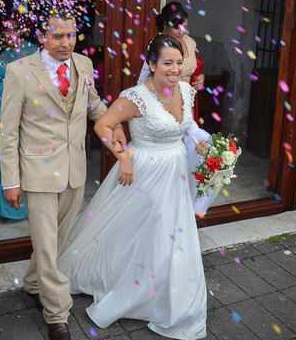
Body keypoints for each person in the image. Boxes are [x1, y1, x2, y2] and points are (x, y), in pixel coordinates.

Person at [58, 34, 207, 339]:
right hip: (144, 174)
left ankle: (171, 299)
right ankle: (129, 286)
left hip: (175, 172)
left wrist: (204, 147)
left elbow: (187, 127)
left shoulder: (187, 93)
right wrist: (122, 157)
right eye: (167, 62)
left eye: (179, 62)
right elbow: (102, 125)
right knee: (138, 235)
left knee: (173, 237)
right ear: (152, 64)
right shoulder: (136, 96)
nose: (174, 69)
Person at [0, 13, 125, 340]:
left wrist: (116, 123)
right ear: (42, 37)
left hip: (74, 168)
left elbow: (94, 105)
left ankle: (32, 282)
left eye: (71, 35)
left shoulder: (83, 65)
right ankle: (57, 313)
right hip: (38, 171)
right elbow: (8, 132)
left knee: (55, 240)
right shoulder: (19, 71)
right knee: (45, 242)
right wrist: (10, 180)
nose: (65, 43)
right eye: (57, 36)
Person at [0, 18, 38, 220]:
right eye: (6, 30)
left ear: (22, 29)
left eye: (14, 29)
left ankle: (34, 202)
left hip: (28, 104)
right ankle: (11, 207)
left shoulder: (34, 50)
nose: (10, 33)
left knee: (27, 148)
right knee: (6, 150)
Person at [137, 1, 204, 90]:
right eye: (176, 28)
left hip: (186, 97)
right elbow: (143, 80)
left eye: (185, 27)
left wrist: (201, 77)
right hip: (162, 96)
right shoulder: (158, 44)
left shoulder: (190, 42)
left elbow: (193, 69)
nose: (181, 32)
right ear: (165, 25)